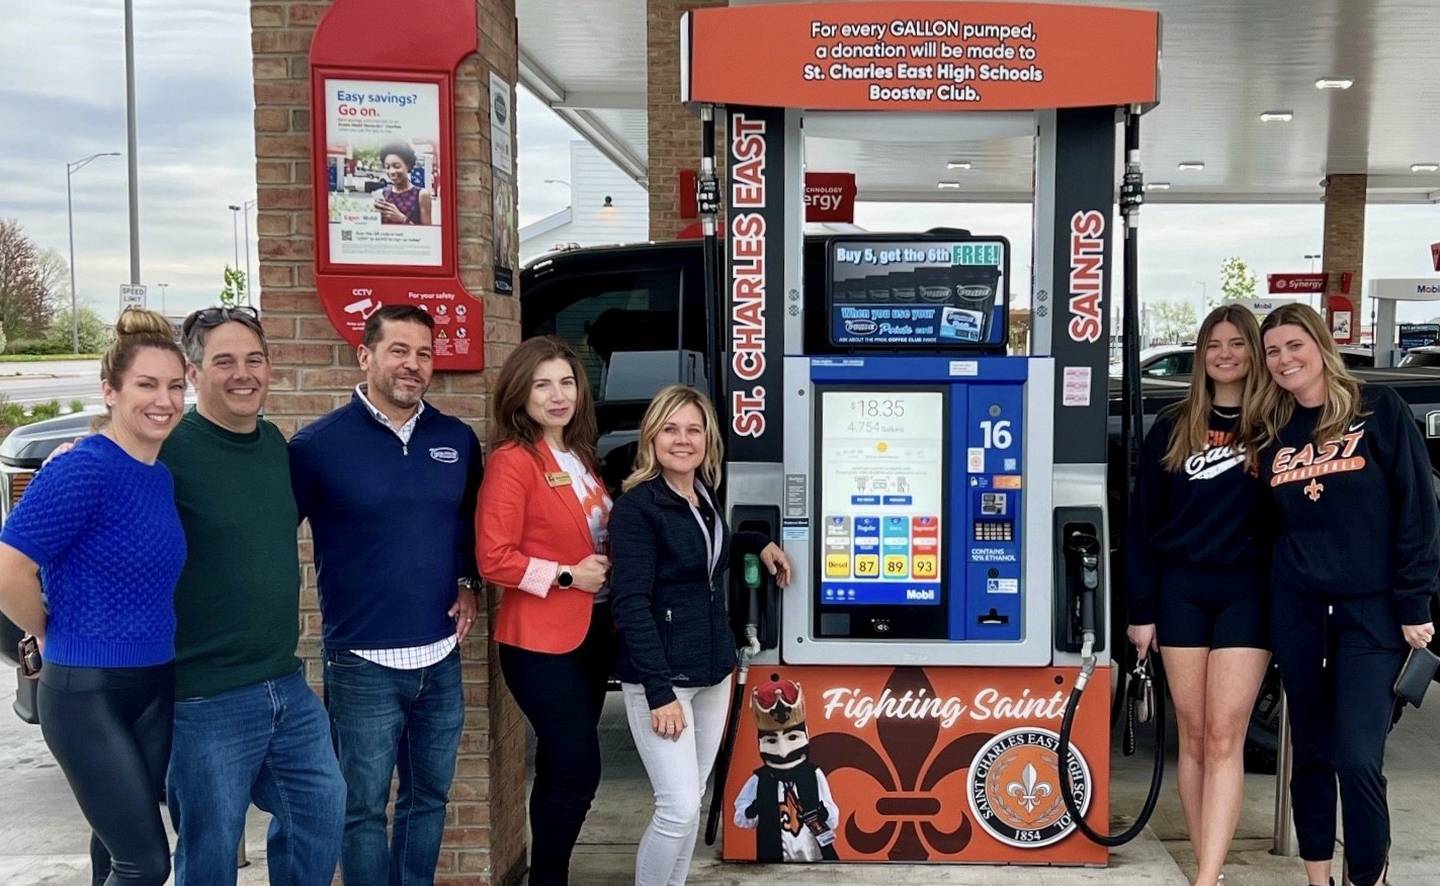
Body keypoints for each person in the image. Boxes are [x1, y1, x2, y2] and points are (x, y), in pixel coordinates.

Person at [289, 304, 483, 885]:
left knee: (429, 799)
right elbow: (267, 533)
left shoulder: (455, 439)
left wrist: (469, 580)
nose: (413, 365)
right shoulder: (317, 446)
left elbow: (470, 523)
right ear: (365, 355)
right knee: (362, 811)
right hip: (362, 663)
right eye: (399, 350)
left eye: (424, 353)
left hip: (440, 657)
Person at [1253, 303, 1439, 886]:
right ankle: (1317, 877)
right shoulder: (1273, 433)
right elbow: (1266, 528)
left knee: (1359, 757)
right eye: (1274, 351)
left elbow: (1417, 509)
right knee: (1310, 754)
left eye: (1294, 345)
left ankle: (1368, 877)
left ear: (1320, 344)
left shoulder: (1378, 409)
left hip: (1373, 613)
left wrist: (1415, 604)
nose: (1285, 360)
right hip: (1300, 612)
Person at [0, 309, 187, 885]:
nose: (164, 400)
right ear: (109, 391)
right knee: (146, 863)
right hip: (86, 690)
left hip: (153, 684)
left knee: (113, 851)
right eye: (146, 385)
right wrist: (49, 632)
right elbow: (9, 569)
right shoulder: (81, 469)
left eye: (176, 386)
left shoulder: (157, 473)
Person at [161, 306, 346, 884]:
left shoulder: (272, 444)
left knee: (320, 810)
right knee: (210, 853)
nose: (243, 374)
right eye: (224, 361)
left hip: (284, 683)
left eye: (254, 359)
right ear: (193, 373)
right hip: (204, 695)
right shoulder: (168, 450)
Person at [609, 385, 791, 884]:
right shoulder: (637, 509)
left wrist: (758, 542)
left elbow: (707, 555)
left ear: (708, 440)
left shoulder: (701, 497)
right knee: (677, 806)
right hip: (663, 681)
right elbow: (631, 604)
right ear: (651, 438)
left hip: (712, 672)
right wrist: (659, 693)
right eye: (671, 429)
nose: (683, 440)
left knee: (691, 803)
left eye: (694, 430)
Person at [1125, 305, 1271, 886]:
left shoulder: (1278, 425)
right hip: (1180, 589)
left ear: (1253, 352)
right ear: (1200, 353)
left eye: (1237, 343)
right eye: (1214, 344)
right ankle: (1201, 864)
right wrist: (1141, 612)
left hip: (1249, 591)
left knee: (1224, 734)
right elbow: (1141, 524)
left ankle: (1207, 877)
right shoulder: (1174, 424)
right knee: (1192, 733)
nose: (1225, 354)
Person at [476, 336, 613, 886]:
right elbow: (493, 558)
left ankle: (547, 874)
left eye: (566, 382)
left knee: (559, 768)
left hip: (591, 634)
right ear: (520, 393)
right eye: (542, 384)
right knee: (580, 769)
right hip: (539, 643)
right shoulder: (514, 462)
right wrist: (565, 575)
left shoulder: (578, 456)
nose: (557, 395)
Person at [374, 142, 432, 226]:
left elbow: (427, 233)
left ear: (408, 166)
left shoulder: (421, 195)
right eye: (387, 167)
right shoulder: (383, 194)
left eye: (396, 166)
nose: (391, 171)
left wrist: (401, 219)